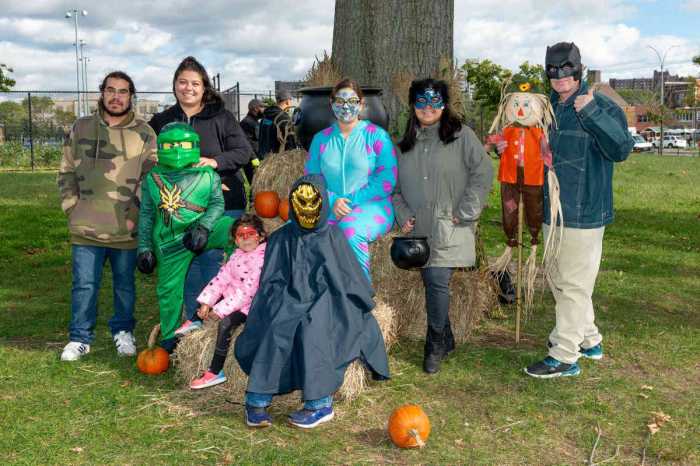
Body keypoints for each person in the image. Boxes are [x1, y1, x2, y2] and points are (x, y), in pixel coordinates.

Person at [235, 174, 389, 429]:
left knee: (313, 327)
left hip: (326, 300)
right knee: (276, 326)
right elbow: (271, 280)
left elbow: (348, 280)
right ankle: (257, 400)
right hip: (288, 297)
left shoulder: (332, 236)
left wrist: (332, 299)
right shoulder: (282, 237)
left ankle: (319, 404)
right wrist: (282, 298)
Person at [524, 42, 634, 378]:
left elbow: (621, 149)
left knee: (572, 284)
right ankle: (588, 339)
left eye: (567, 68)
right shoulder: (548, 109)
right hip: (553, 209)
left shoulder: (600, 105)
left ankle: (564, 355)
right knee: (560, 279)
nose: (560, 75)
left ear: (579, 69)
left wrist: (591, 112)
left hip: (584, 212)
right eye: (553, 70)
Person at [148, 56, 254, 338]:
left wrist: (214, 162)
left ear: (204, 87)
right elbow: (148, 159)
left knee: (215, 265)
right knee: (188, 269)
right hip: (179, 211)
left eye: (195, 83)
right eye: (183, 82)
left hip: (223, 203)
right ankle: (193, 332)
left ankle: (221, 329)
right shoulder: (161, 122)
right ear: (174, 85)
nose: (189, 88)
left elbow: (244, 152)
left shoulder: (221, 117)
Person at [393, 78, 493, 374]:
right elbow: (393, 189)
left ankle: (434, 342)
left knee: (436, 279)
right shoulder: (403, 145)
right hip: (419, 230)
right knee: (430, 279)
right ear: (412, 105)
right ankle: (446, 337)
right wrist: (402, 214)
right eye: (421, 102)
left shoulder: (462, 137)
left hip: (451, 225)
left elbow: (483, 172)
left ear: (444, 104)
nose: (428, 108)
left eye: (434, 101)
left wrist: (467, 210)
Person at [58, 71, 156, 361]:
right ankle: (79, 338)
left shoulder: (145, 133)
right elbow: (65, 170)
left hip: (125, 227)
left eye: (123, 91)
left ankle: (123, 332)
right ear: (102, 93)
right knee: (84, 285)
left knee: (124, 285)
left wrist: (136, 216)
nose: (116, 97)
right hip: (86, 226)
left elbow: (152, 179)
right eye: (111, 90)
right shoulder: (82, 127)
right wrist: (71, 207)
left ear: (131, 96)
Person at [136, 122, 234, 352]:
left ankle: (237, 290)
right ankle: (170, 337)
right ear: (162, 147)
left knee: (236, 229)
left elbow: (217, 203)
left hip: (202, 230)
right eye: (171, 145)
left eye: (184, 144)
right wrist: (144, 247)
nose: (178, 149)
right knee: (168, 290)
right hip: (170, 241)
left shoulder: (207, 174)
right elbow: (147, 214)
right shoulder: (152, 178)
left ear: (194, 146)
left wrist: (205, 227)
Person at [304, 78, 397, 279]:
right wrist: (332, 200)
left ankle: (359, 293)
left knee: (349, 230)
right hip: (330, 205)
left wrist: (348, 201)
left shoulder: (377, 136)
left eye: (352, 101)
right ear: (331, 104)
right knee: (296, 231)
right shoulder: (321, 139)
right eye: (340, 101)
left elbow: (386, 181)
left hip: (372, 205)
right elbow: (311, 179)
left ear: (361, 104)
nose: (346, 106)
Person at [189, 214, 266, 389]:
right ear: (235, 240)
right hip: (234, 300)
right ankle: (194, 321)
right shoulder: (236, 256)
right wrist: (207, 302)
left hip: (252, 306)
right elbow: (221, 279)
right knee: (203, 304)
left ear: (260, 236)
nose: (246, 239)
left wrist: (220, 310)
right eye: (241, 235)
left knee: (225, 325)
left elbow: (247, 292)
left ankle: (215, 371)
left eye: (250, 234)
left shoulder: (261, 259)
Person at [258, 90, 295, 157]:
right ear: (287, 102)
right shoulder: (284, 118)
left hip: (264, 157)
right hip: (277, 159)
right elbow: (290, 142)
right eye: (290, 101)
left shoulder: (266, 115)